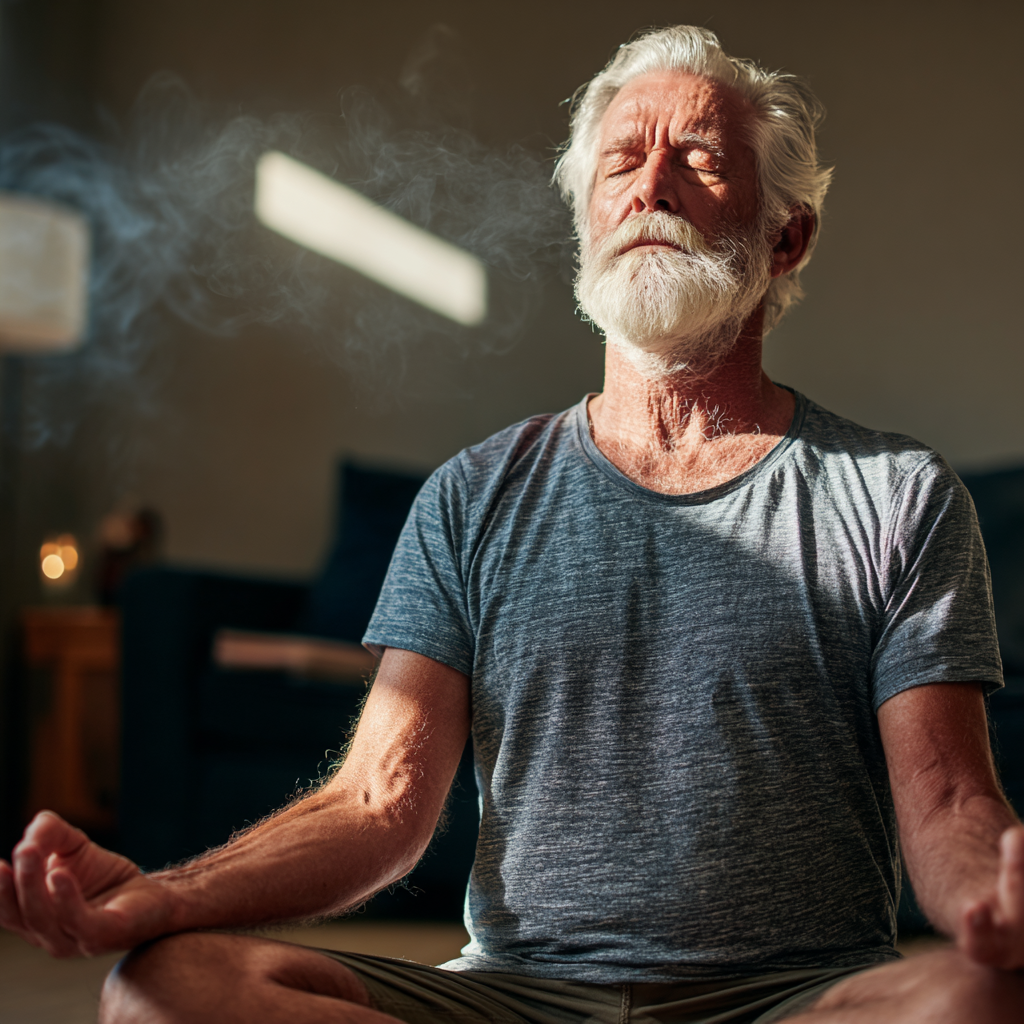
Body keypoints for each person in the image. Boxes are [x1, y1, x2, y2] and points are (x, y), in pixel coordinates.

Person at [2, 25, 1022, 1024]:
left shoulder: (896, 495)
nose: (649, 185)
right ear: (586, 220)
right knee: (160, 988)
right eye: (621, 161)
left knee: (976, 995)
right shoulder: (470, 496)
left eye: (699, 160)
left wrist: (996, 899)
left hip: (792, 997)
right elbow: (376, 803)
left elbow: (949, 805)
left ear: (786, 235)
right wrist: (166, 894)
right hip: (516, 994)